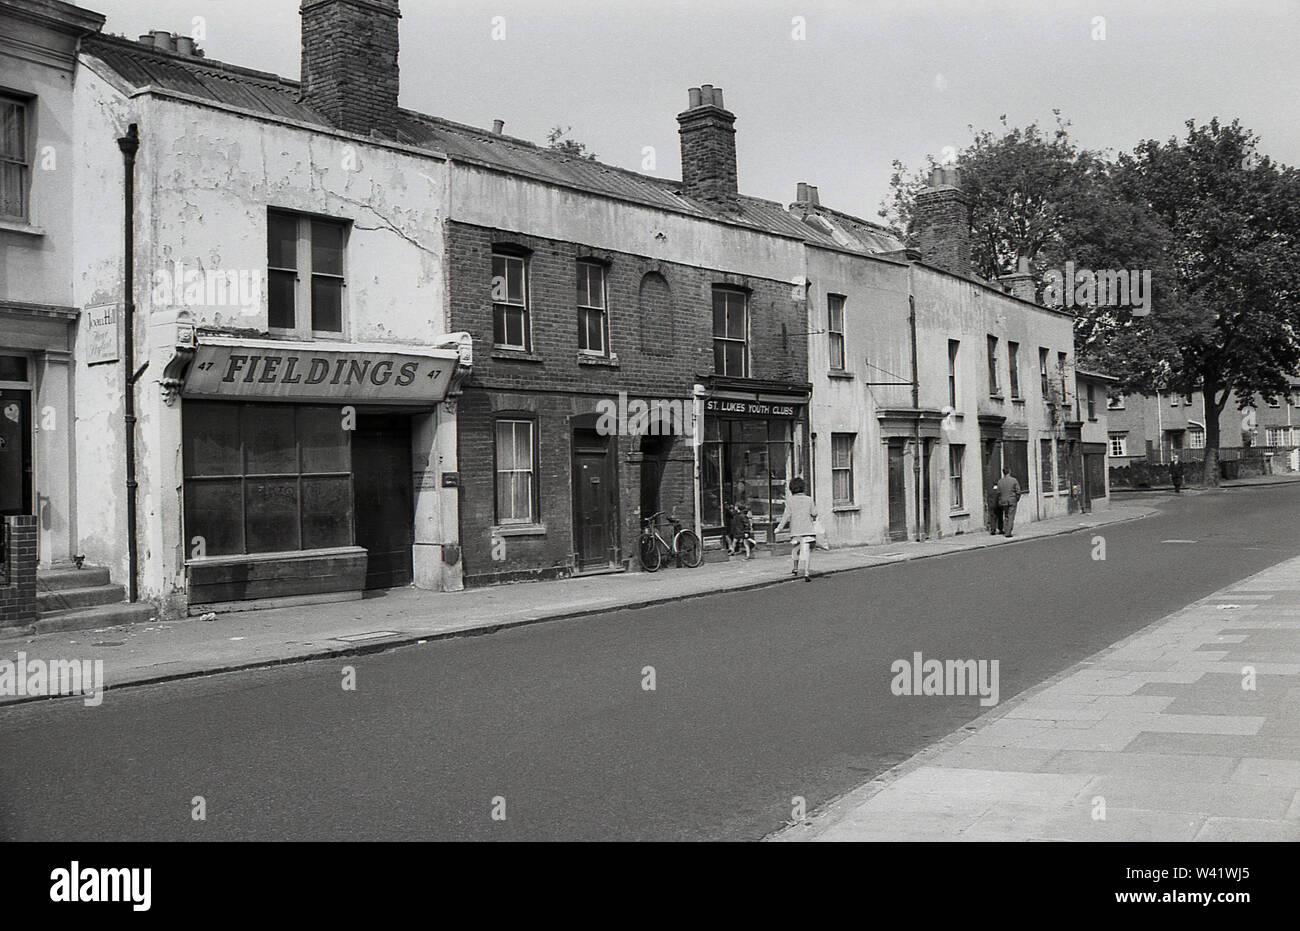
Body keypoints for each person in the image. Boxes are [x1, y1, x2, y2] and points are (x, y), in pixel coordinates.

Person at [773, 476, 818, 580]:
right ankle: (806, 573)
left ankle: (795, 568)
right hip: (808, 529)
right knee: (806, 552)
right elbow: (814, 513)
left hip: (796, 531)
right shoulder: (809, 499)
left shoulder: (789, 501)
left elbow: (786, 516)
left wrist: (779, 528)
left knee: (795, 550)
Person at [993, 468, 1022, 537]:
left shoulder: (1000, 481)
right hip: (1012, 500)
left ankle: (1005, 529)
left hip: (1003, 501)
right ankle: (1008, 532)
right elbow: (1018, 491)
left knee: (1006, 516)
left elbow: (998, 492)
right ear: (1009, 472)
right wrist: (1016, 499)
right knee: (1011, 516)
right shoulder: (1014, 480)